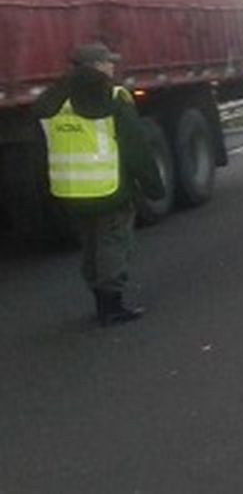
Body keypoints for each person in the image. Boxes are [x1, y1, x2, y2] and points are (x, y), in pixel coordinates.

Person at [34, 42, 165, 326]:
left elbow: (40, 142)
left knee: (91, 245)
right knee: (113, 243)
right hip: (109, 186)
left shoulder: (52, 99)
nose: (112, 66)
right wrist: (153, 185)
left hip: (70, 188)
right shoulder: (113, 96)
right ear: (96, 66)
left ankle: (100, 301)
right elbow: (135, 147)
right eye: (108, 62)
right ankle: (112, 307)